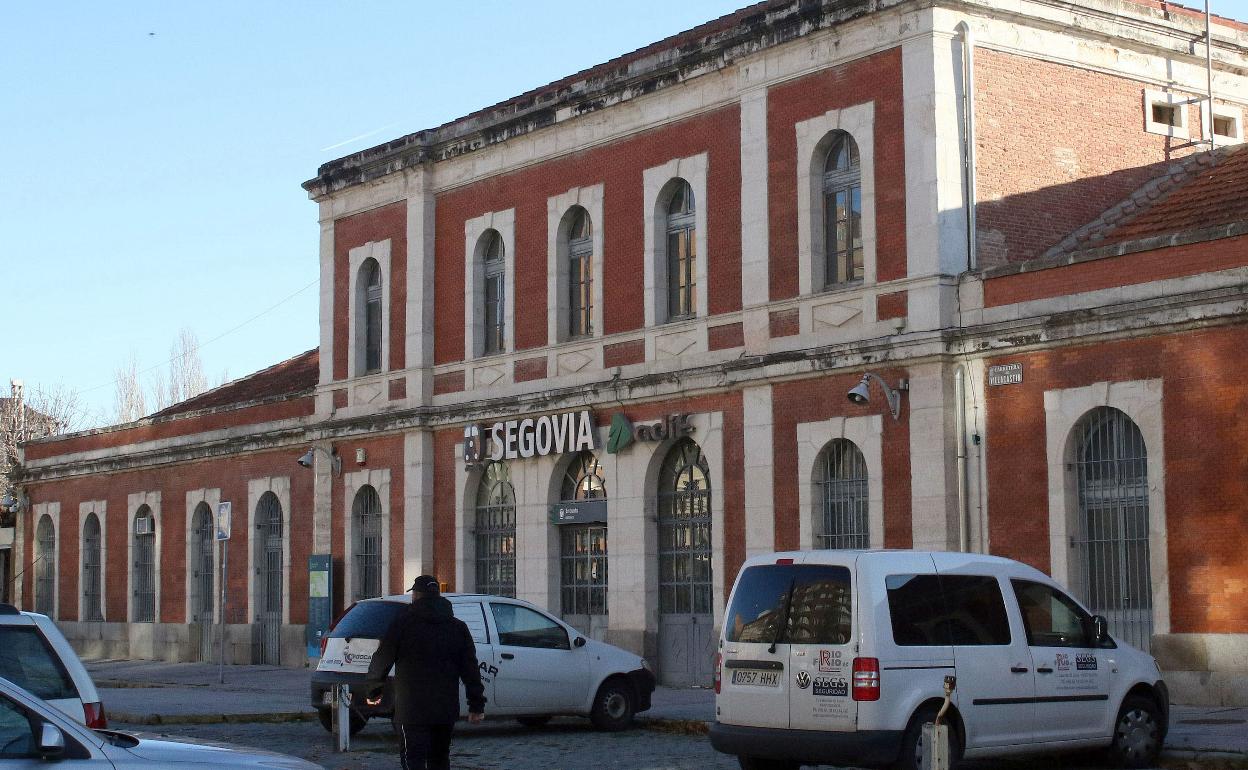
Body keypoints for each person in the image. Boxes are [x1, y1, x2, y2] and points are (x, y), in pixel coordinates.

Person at [367, 575, 486, 770]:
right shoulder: (457, 627)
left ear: (415, 595)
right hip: (445, 707)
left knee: (413, 759)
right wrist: (476, 705)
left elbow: (382, 658)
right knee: (440, 758)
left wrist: (374, 690)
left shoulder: (402, 624)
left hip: (411, 708)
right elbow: (470, 669)